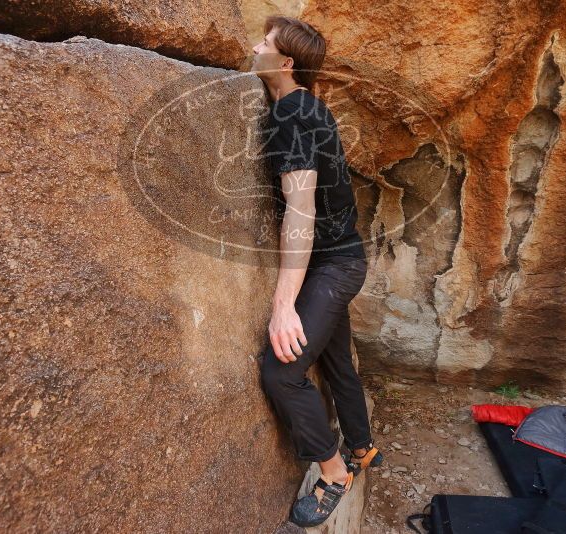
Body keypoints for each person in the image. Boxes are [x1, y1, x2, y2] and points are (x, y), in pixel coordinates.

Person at [250, 15, 384, 527]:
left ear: (285, 62)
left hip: (333, 264)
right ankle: (363, 447)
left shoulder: (289, 114)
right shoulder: (306, 105)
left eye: (265, 42)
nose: (254, 45)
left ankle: (334, 471)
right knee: (335, 361)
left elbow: (300, 210)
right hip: (342, 257)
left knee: (281, 372)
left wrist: (284, 304)